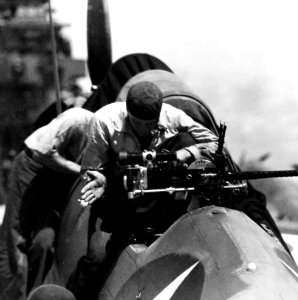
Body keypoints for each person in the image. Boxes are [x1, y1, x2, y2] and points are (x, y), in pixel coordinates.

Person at [67, 81, 219, 299]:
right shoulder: (105, 121)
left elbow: (214, 142)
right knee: (96, 258)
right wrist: (101, 181)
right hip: (115, 199)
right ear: (128, 113)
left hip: (159, 200)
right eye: (139, 123)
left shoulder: (173, 117)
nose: (146, 129)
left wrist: (190, 151)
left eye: (152, 124)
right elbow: (90, 169)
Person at [0, 107, 94, 300]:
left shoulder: (108, 137)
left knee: (44, 241)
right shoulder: (77, 120)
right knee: (15, 238)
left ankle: (35, 294)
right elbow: (40, 153)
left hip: (56, 177)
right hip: (31, 168)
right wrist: (77, 169)